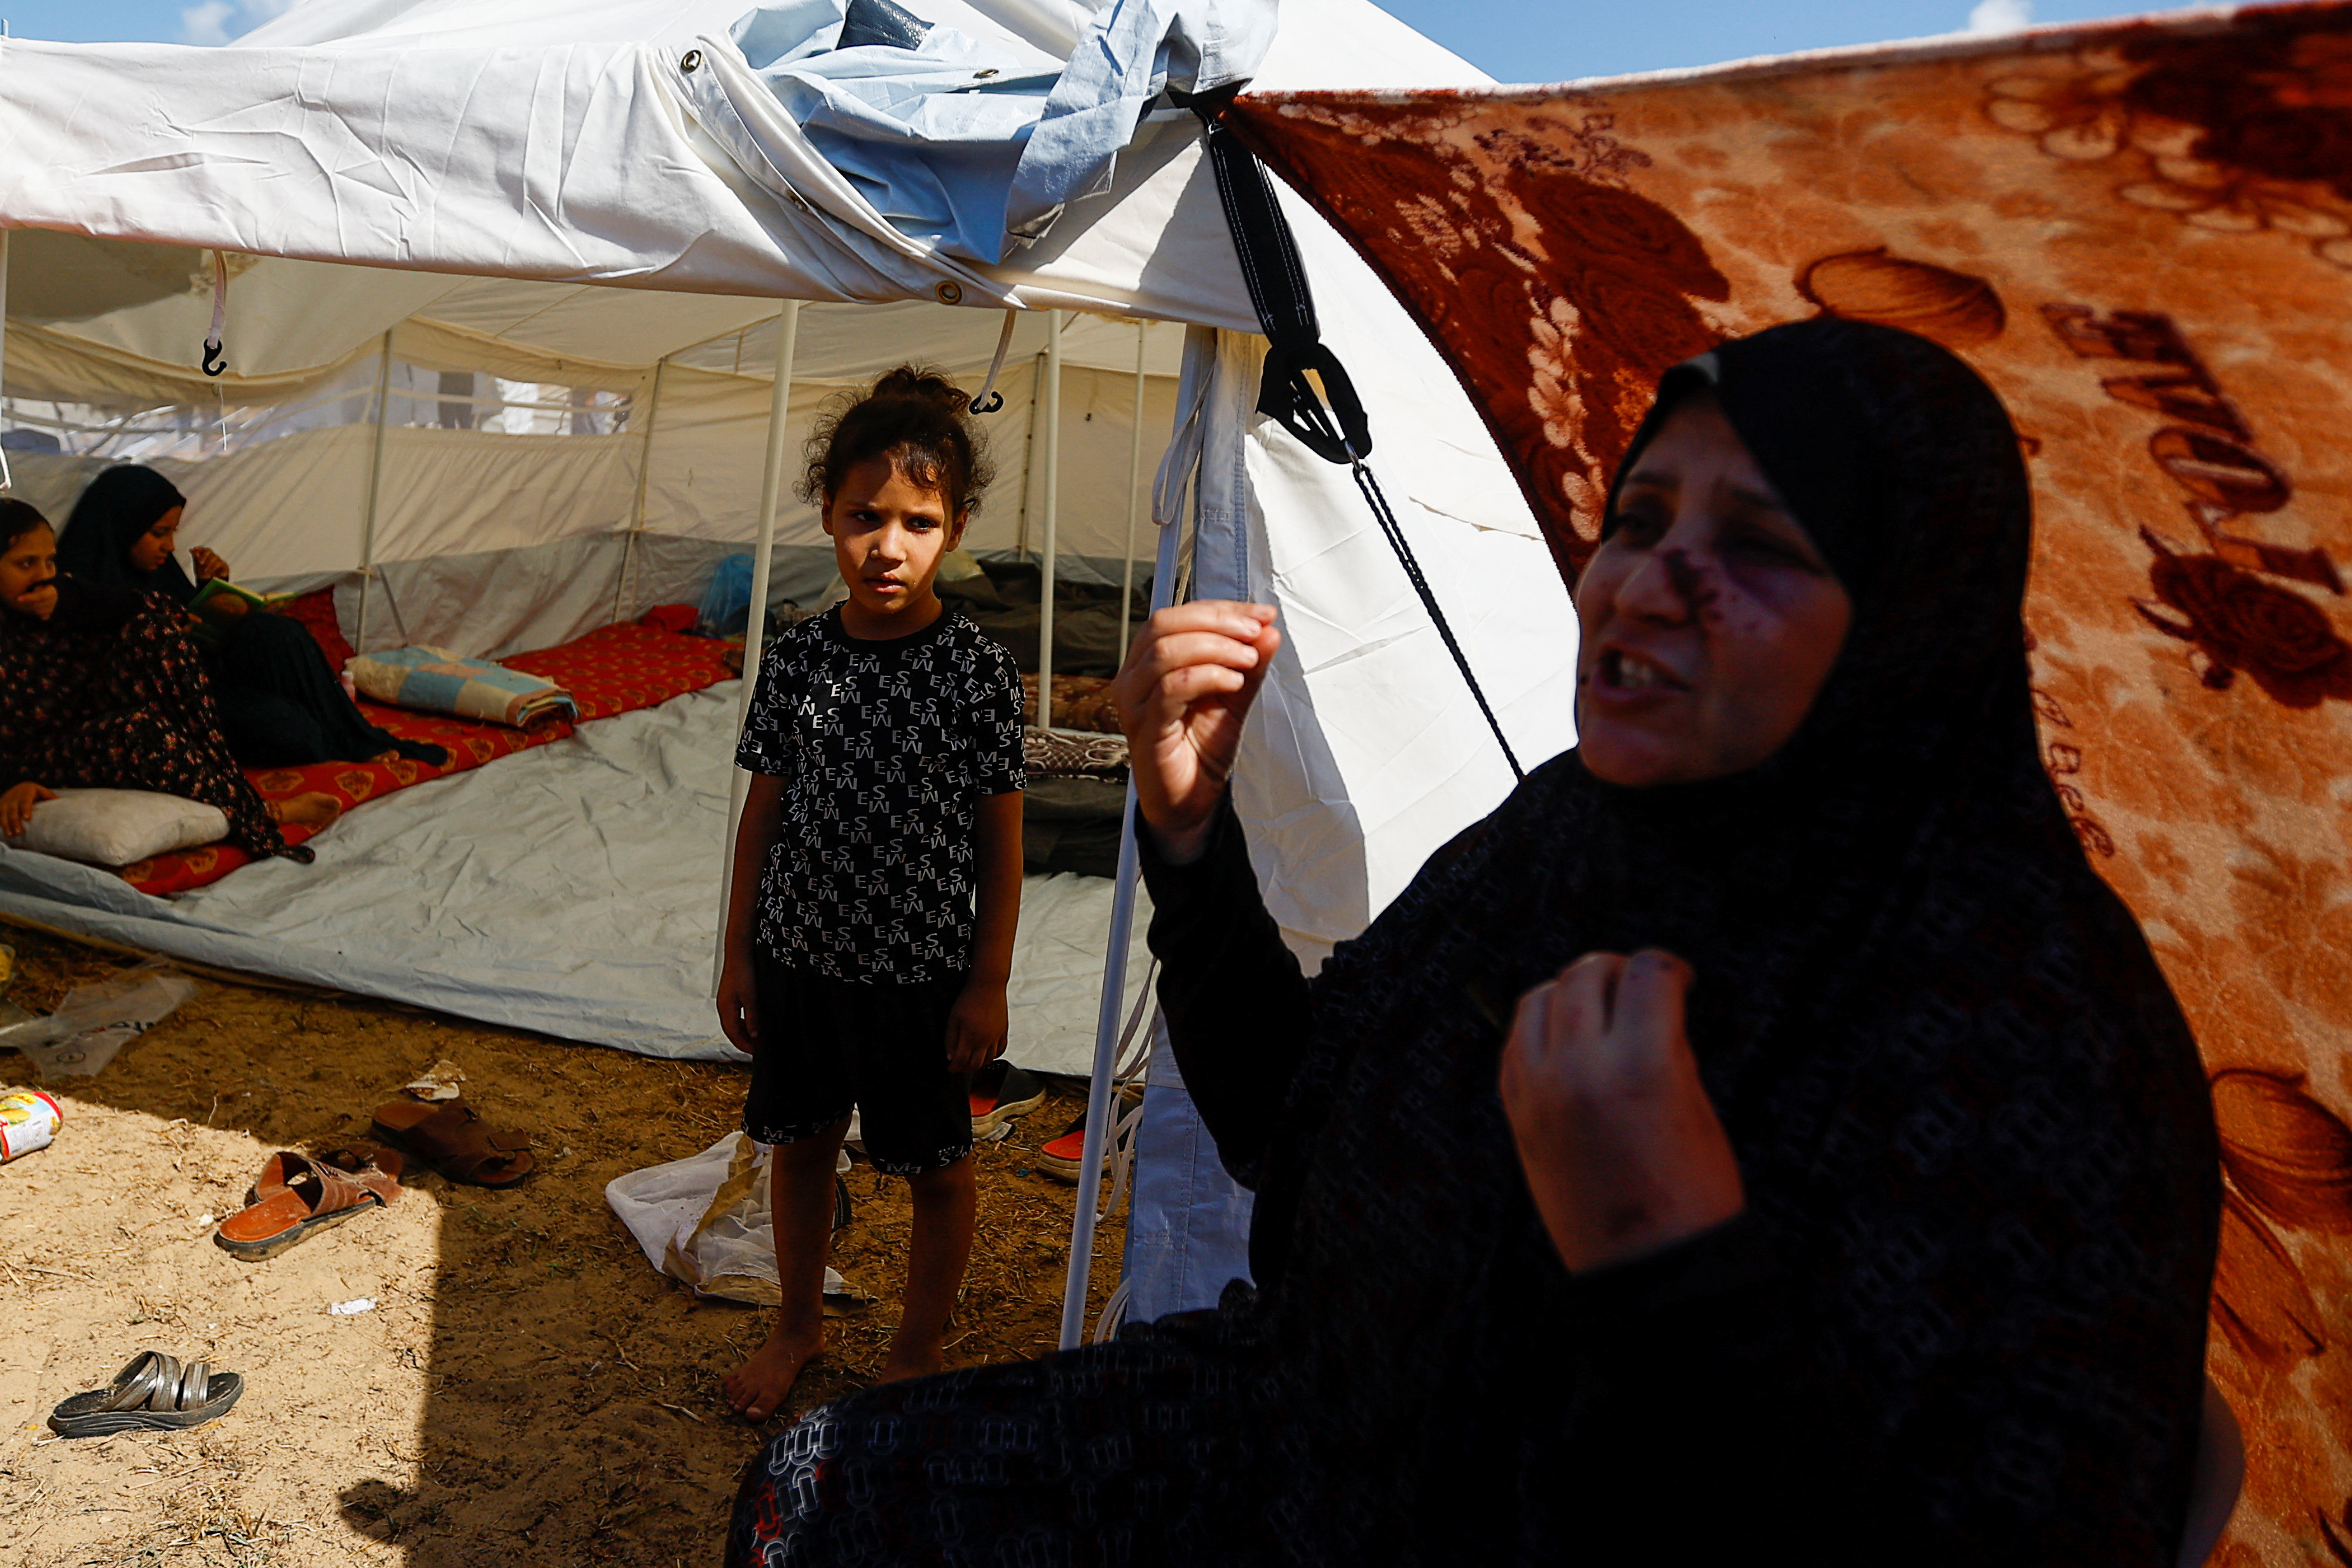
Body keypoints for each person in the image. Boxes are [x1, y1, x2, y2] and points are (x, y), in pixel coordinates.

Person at [724, 320, 2220, 1565]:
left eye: (1755, 545)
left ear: (1910, 617)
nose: (1645, 581)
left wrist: (1669, 1265)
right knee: (817, 1498)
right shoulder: (1566, 840)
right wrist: (1191, 840)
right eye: (1637, 519)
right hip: (1319, 1432)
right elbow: (1281, 1128)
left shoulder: (2032, 1037)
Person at [715, 367, 1026, 1419]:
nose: (885, 544)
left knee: (936, 1169)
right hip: (800, 962)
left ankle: (915, 1349)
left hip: (919, 979)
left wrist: (985, 984)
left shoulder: (978, 669)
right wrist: (737, 954)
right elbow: (762, 816)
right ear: (826, 515)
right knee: (798, 1151)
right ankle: (797, 1320)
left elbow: (1000, 842)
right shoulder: (800, 658)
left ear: (955, 528)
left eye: (916, 521)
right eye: (863, 518)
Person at [0, 499, 335, 856]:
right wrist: (10, 783)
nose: (42, 576)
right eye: (25, 563)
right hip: (33, 754)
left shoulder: (58, 594)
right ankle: (260, 813)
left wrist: (67, 601)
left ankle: (235, 788)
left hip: (80, 715)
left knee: (155, 633)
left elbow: (158, 609)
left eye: (49, 560)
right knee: (140, 731)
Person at [56, 465, 444, 769]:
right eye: (159, 533)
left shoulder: (156, 571)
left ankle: (351, 738)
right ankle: (332, 738)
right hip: (171, 707)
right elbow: (106, 673)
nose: (170, 546)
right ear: (123, 528)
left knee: (280, 634)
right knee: (293, 733)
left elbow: (199, 631)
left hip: (211, 678)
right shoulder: (79, 588)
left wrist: (212, 592)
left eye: (173, 532)